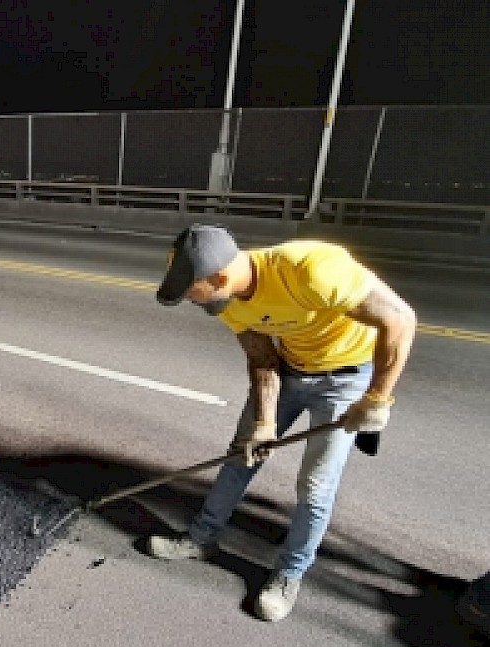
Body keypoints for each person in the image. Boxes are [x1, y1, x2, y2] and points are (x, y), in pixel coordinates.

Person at [146, 224, 417, 622]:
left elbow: (400, 319)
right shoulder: (230, 300)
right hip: (289, 371)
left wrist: (377, 400)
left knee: (315, 486)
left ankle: (289, 574)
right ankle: (200, 539)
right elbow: (261, 358)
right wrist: (265, 423)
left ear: (219, 277)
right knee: (242, 457)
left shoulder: (310, 269)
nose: (191, 301)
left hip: (344, 380)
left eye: (192, 293)